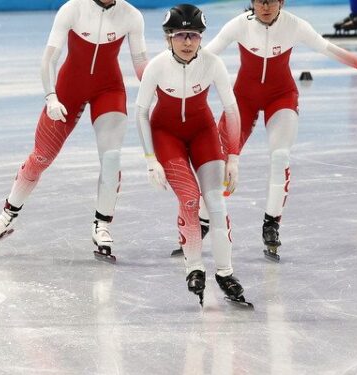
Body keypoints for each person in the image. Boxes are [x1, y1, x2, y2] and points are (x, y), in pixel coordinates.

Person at [205, 0, 357, 261]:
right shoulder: (238, 26)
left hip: (281, 96)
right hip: (242, 100)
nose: (265, 7)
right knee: (217, 163)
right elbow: (207, 56)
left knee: (280, 156)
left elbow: (328, 49)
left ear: (282, 2)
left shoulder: (295, 26)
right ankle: (201, 223)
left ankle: (271, 224)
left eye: (271, 1)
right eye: (260, 1)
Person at [0, 0, 148, 261]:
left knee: (111, 158)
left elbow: (141, 65)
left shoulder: (132, 16)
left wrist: (159, 87)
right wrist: (51, 97)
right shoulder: (73, 9)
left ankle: (101, 224)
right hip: (67, 90)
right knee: (41, 157)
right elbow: (49, 59)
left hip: (109, 90)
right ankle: (7, 214)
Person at [136, 4, 250, 306]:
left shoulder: (212, 63)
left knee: (215, 202)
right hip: (167, 136)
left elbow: (231, 109)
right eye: (181, 36)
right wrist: (151, 159)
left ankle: (225, 274)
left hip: (203, 133)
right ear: (168, 38)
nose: (188, 42)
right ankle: (195, 267)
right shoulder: (157, 67)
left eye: (195, 36)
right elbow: (140, 112)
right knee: (189, 198)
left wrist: (233, 157)